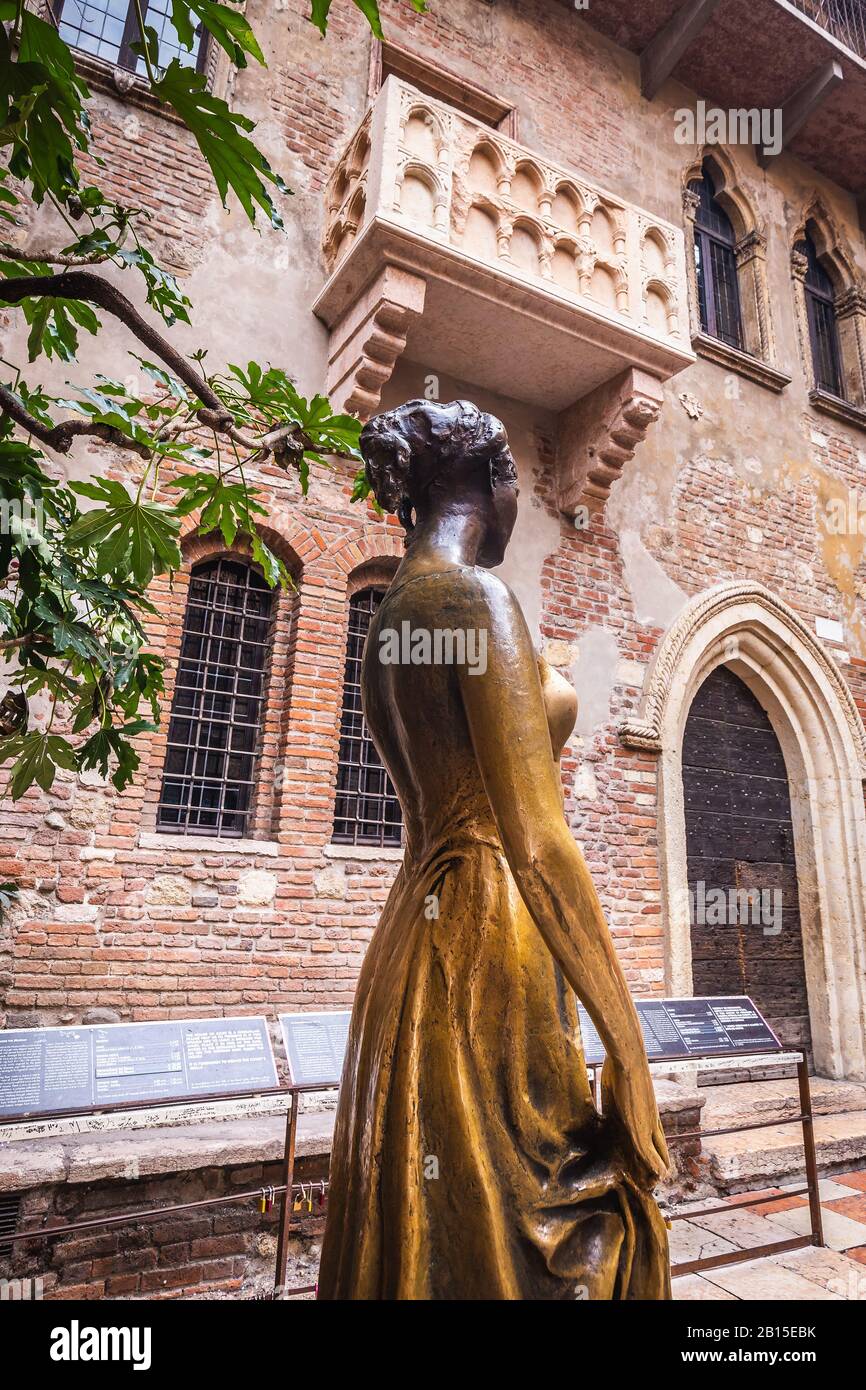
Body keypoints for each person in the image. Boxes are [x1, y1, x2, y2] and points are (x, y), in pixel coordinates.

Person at [317, 399, 670, 1300]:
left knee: (439, 1210)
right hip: (493, 938)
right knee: (569, 1208)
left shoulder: (391, 614)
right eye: (515, 483)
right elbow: (540, 842)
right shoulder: (475, 600)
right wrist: (627, 1046)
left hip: (413, 941)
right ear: (493, 484)